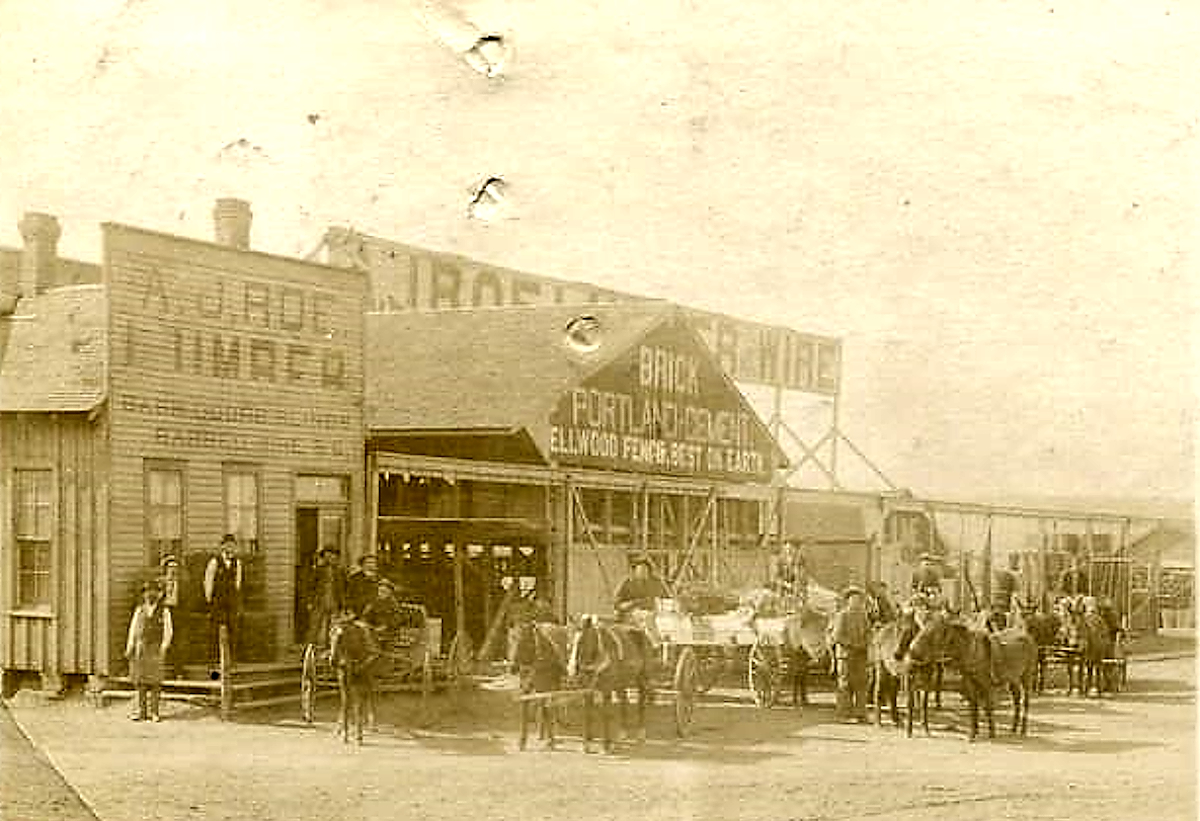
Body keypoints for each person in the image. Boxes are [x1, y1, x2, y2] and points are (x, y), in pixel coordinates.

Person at [125, 578, 174, 722]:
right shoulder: (139, 610)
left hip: (156, 648)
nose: (149, 595)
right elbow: (133, 630)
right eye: (146, 592)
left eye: (152, 591)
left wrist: (164, 646)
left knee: (155, 681)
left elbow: (168, 630)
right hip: (141, 647)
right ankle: (141, 711)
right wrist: (130, 647)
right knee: (140, 681)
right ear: (144, 594)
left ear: (158, 594)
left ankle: (155, 712)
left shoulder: (164, 611)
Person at [831, 585, 870, 722]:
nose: (857, 602)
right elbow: (837, 636)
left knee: (861, 683)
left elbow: (868, 633)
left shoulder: (863, 616)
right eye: (854, 599)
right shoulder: (842, 615)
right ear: (848, 601)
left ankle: (861, 714)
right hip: (846, 655)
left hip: (861, 654)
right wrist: (852, 644)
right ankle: (844, 714)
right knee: (845, 684)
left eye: (859, 599)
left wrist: (865, 643)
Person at [204, 534, 242, 665]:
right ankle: (213, 659)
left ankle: (231, 659)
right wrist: (209, 600)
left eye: (232, 545)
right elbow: (208, 581)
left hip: (231, 601)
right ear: (222, 546)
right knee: (216, 629)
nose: (230, 547)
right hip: (217, 601)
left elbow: (237, 583)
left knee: (233, 629)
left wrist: (235, 599)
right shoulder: (215, 561)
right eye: (227, 545)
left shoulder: (237, 562)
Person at [308, 546, 346, 646]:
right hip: (319, 601)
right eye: (327, 555)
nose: (330, 557)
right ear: (324, 557)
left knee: (333, 628)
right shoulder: (317, 570)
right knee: (315, 627)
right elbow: (310, 587)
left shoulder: (340, 571)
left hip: (335, 602)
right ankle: (309, 651)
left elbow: (344, 588)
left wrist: (344, 604)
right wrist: (309, 601)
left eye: (333, 555)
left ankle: (329, 650)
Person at [770, 539, 809, 612]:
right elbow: (776, 576)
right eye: (786, 550)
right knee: (778, 589)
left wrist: (794, 585)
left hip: (796, 585)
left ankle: (796, 606)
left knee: (797, 588)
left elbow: (801, 577)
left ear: (795, 550)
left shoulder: (799, 560)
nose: (788, 551)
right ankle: (778, 606)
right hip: (784, 583)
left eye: (790, 549)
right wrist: (785, 584)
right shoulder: (780, 560)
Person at [989, 553, 1022, 631]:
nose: (1014, 562)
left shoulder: (1014, 574)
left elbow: (1016, 591)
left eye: (1015, 560)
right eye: (1012, 560)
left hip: (1008, 602)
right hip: (1004, 602)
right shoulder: (1007, 574)